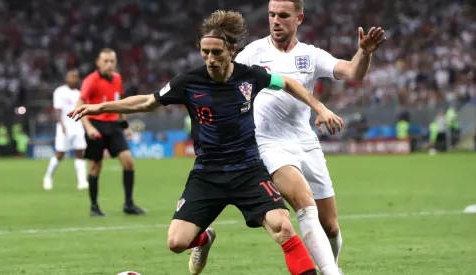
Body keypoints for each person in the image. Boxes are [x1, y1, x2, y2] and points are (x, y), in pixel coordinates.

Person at [69, 10, 343, 275]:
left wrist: (319, 107)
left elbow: (288, 83)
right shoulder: (189, 82)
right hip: (207, 174)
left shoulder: (250, 75)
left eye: (216, 53)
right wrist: (100, 107)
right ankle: (204, 240)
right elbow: (147, 101)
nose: (210, 59)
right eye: (205, 52)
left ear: (232, 50)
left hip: (248, 171)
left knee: (283, 227)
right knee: (176, 243)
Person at [235, 0, 386, 273]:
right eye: (271, 15)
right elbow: (226, 82)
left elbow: (353, 72)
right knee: (304, 204)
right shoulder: (252, 53)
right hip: (269, 143)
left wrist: (364, 53)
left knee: (330, 225)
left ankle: (333, 265)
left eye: (283, 15)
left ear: (299, 18)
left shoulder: (311, 55)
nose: (275, 20)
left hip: (306, 143)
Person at [77, 49, 145, 217]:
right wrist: (89, 128)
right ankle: (94, 207)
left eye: (112, 61)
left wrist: (125, 126)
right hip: (96, 125)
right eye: (106, 61)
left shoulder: (117, 79)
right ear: (98, 63)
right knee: (95, 166)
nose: (109, 64)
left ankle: (129, 204)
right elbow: (80, 104)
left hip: (113, 126)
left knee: (128, 161)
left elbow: (119, 104)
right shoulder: (91, 81)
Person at [43, 70, 88, 190]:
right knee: (60, 154)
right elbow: (57, 109)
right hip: (65, 128)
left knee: (80, 153)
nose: (75, 79)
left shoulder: (79, 93)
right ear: (66, 78)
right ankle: (48, 177)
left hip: (77, 127)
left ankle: (82, 181)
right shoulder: (60, 91)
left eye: (76, 77)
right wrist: (61, 124)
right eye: (72, 76)